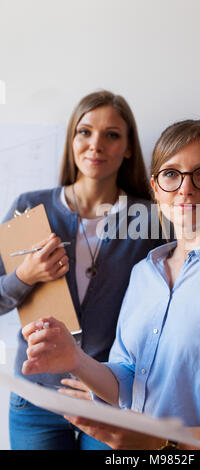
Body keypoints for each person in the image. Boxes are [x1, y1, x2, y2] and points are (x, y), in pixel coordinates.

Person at [22, 119, 200, 450]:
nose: (185, 189)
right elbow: (130, 377)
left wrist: (163, 442)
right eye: (171, 174)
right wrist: (76, 360)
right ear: (155, 187)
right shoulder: (144, 273)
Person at [0, 90, 166, 450]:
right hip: (36, 400)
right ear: (72, 140)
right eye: (85, 131)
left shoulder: (149, 219)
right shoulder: (29, 207)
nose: (96, 145)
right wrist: (25, 275)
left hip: (109, 401)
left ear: (128, 148)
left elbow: (164, 316)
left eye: (112, 135)